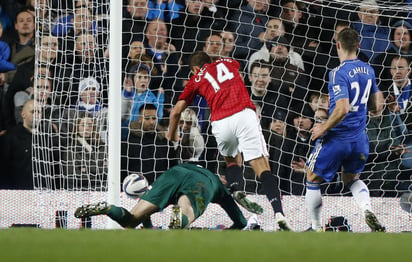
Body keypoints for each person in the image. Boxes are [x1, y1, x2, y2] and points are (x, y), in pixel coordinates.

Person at [166, 51, 294, 231]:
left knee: (231, 160)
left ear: (195, 69)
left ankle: (237, 189)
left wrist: (171, 135)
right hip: (243, 112)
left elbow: (176, 112)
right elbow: (233, 69)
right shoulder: (228, 62)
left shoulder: (195, 79)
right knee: (262, 166)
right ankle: (279, 213)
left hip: (220, 121)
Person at [305, 28, 386, 232]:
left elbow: (342, 108)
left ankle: (315, 228)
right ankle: (367, 209)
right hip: (359, 140)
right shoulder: (369, 70)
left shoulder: (337, 73)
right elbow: (377, 107)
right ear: (358, 46)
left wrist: (324, 126)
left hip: (337, 138)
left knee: (311, 178)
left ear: (338, 45)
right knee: (351, 179)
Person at [74, 163, 253, 230]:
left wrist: (149, 228)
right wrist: (228, 233)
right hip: (201, 184)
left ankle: (107, 208)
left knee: (131, 221)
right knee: (188, 211)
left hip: (174, 172)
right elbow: (242, 222)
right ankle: (180, 217)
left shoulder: (205, 170)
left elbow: (147, 217)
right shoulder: (219, 188)